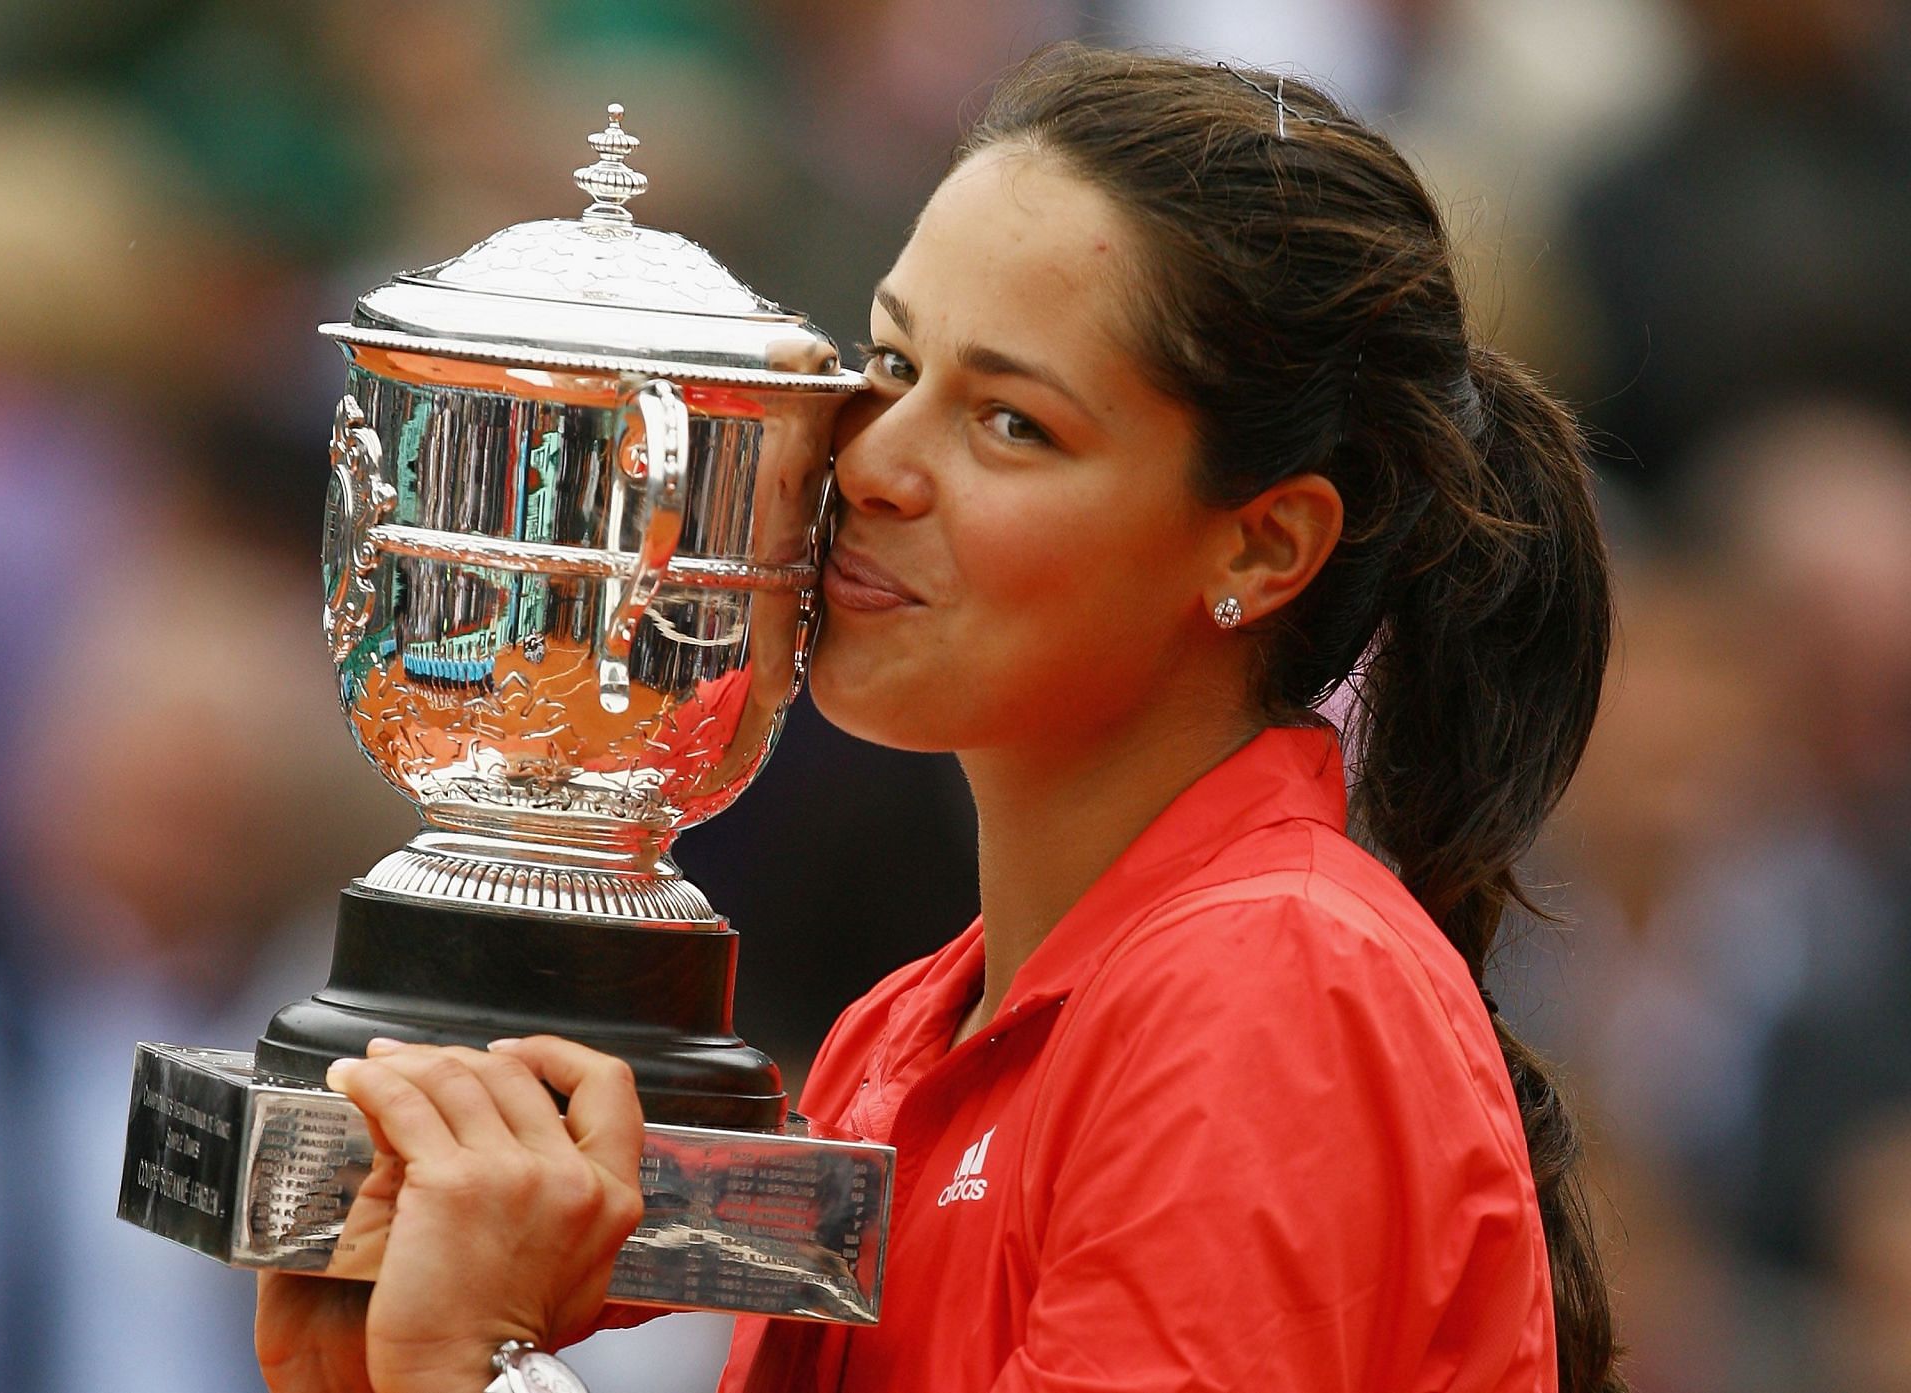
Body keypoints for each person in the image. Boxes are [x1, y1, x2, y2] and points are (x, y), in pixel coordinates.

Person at [254, 45, 1622, 1393]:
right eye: (894, 362)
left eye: (1013, 423)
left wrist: (475, 1377)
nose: (877, 460)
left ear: (1260, 549)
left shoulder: (1270, 987)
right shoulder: (905, 1030)